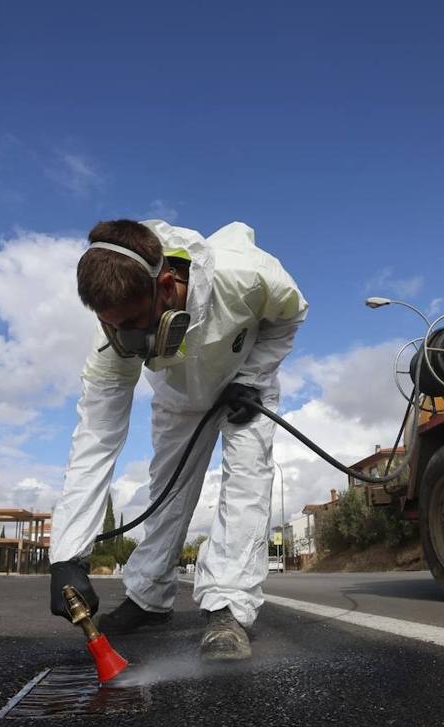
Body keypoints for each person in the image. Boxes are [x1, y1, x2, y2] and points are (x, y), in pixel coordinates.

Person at [49, 218, 307, 661]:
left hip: (243, 386)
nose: (126, 339)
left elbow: (290, 314)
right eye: (114, 328)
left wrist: (252, 375)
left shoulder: (244, 275)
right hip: (178, 398)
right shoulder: (113, 335)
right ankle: (148, 597)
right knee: (167, 493)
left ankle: (228, 607)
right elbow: (95, 437)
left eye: (133, 323)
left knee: (247, 482)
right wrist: (68, 555)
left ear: (166, 284)